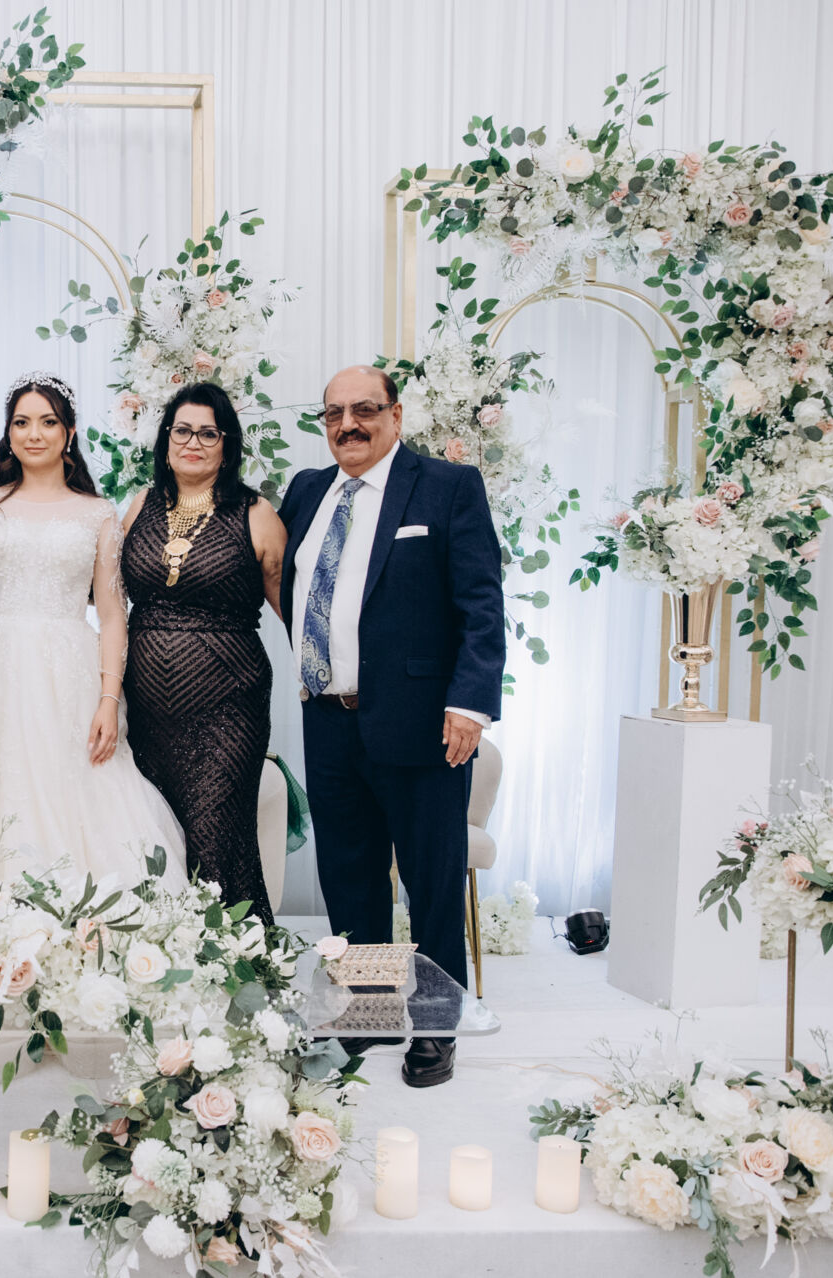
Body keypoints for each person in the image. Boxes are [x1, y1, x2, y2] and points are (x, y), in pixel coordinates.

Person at [278, 365, 504, 1089]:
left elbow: (481, 603)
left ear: (396, 415)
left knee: (431, 880)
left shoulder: (445, 487)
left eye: (364, 410)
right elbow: (293, 589)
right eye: (333, 413)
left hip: (424, 723)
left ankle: (436, 1023)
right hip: (328, 718)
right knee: (349, 876)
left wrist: (469, 705)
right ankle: (369, 1011)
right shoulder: (307, 491)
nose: (348, 424)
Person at [0, 373, 187, 890]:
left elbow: (112, 616)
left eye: (48, 422)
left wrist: (108, 699)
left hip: (67, 674)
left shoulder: (98, 514)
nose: (34, 434)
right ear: (8, 433)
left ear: (69, 432)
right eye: (22, 422)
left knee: (76, 794)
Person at [121, 382, 289, 924]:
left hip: (228, 706)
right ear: (166, 439)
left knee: (216, 834)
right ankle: (162, 960)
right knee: (155, 833)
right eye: (183, 431)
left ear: (227, 444)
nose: (193, 443)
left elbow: (294, 610)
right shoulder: (140, 505)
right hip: (145, 708)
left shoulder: (255, 513)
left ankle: (233, 958)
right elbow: (106, 598)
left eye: (208, 433)